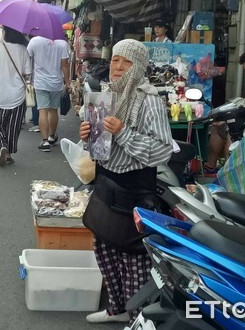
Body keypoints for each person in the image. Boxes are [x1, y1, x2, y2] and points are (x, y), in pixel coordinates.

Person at [79, 39, 174, 324]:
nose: (118, 67)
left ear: (139, 67)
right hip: (106, 183)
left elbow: (162, 150)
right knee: (104, 247)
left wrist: (122, 133)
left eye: (126, 62)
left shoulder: (149, 100)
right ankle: (116, 308)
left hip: (134, 188)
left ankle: (137, 317)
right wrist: (88, 135)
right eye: (115, 60)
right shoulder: (105, 95)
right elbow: (98, 148)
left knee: (133, 257)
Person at [0, 26, 32, 166]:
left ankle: (2, 145)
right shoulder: (24, 49)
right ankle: (9, 153)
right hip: (17, 94)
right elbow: (27, 73)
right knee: (13, 126)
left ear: (6, 32)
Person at [27, 36, 71, 152]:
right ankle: (52, 136)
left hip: (40, 82)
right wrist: (67, 83)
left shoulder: (34, 41)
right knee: (53, 110)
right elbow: (65, 65)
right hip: (56, 83)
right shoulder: (62, 43)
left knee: (42, 110)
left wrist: (27, 77)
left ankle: (45, 141)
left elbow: (28, 59)